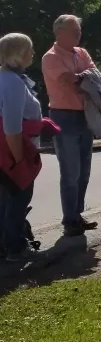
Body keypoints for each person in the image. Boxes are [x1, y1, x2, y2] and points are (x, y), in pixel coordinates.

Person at [42, 15, 98, 237]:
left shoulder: (81, 53)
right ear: (59, 33)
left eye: (79, 30)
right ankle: (69, 220)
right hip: (63, 117)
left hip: (85, 115)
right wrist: (84, 79)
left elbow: (95, 75)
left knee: (84, 172)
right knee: (70, 172)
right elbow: (67, 79)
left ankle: (77, 214)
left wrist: (81, 78)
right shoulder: (51, 57)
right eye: (74, 31)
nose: (78, 34)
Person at [0, 33, 42, 261]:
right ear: (19, 54)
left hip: (4, 150)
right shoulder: (13, 83)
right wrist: (19, 160)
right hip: (13, 150)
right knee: (19, 197)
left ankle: (5, 245)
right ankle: (16, 249)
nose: (33, 54)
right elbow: (12, 127)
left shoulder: (4, 77)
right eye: (30, 50)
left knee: (5, 200)